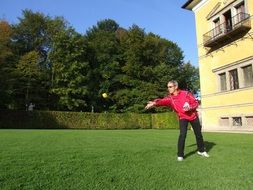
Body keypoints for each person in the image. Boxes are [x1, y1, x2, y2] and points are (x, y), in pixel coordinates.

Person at [145, 80, 209, 161]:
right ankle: (180, 155)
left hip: (193, 116)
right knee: (182, 135)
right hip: (183, 117)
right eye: (168, 87)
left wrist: (190, 107)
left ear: (176, 87)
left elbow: (195, 103)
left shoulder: (186, 93)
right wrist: (153, 103)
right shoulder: (170, 98)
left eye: (170, 87)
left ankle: (201, 151)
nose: (169, 89)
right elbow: (161, 101)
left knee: (198, 134)